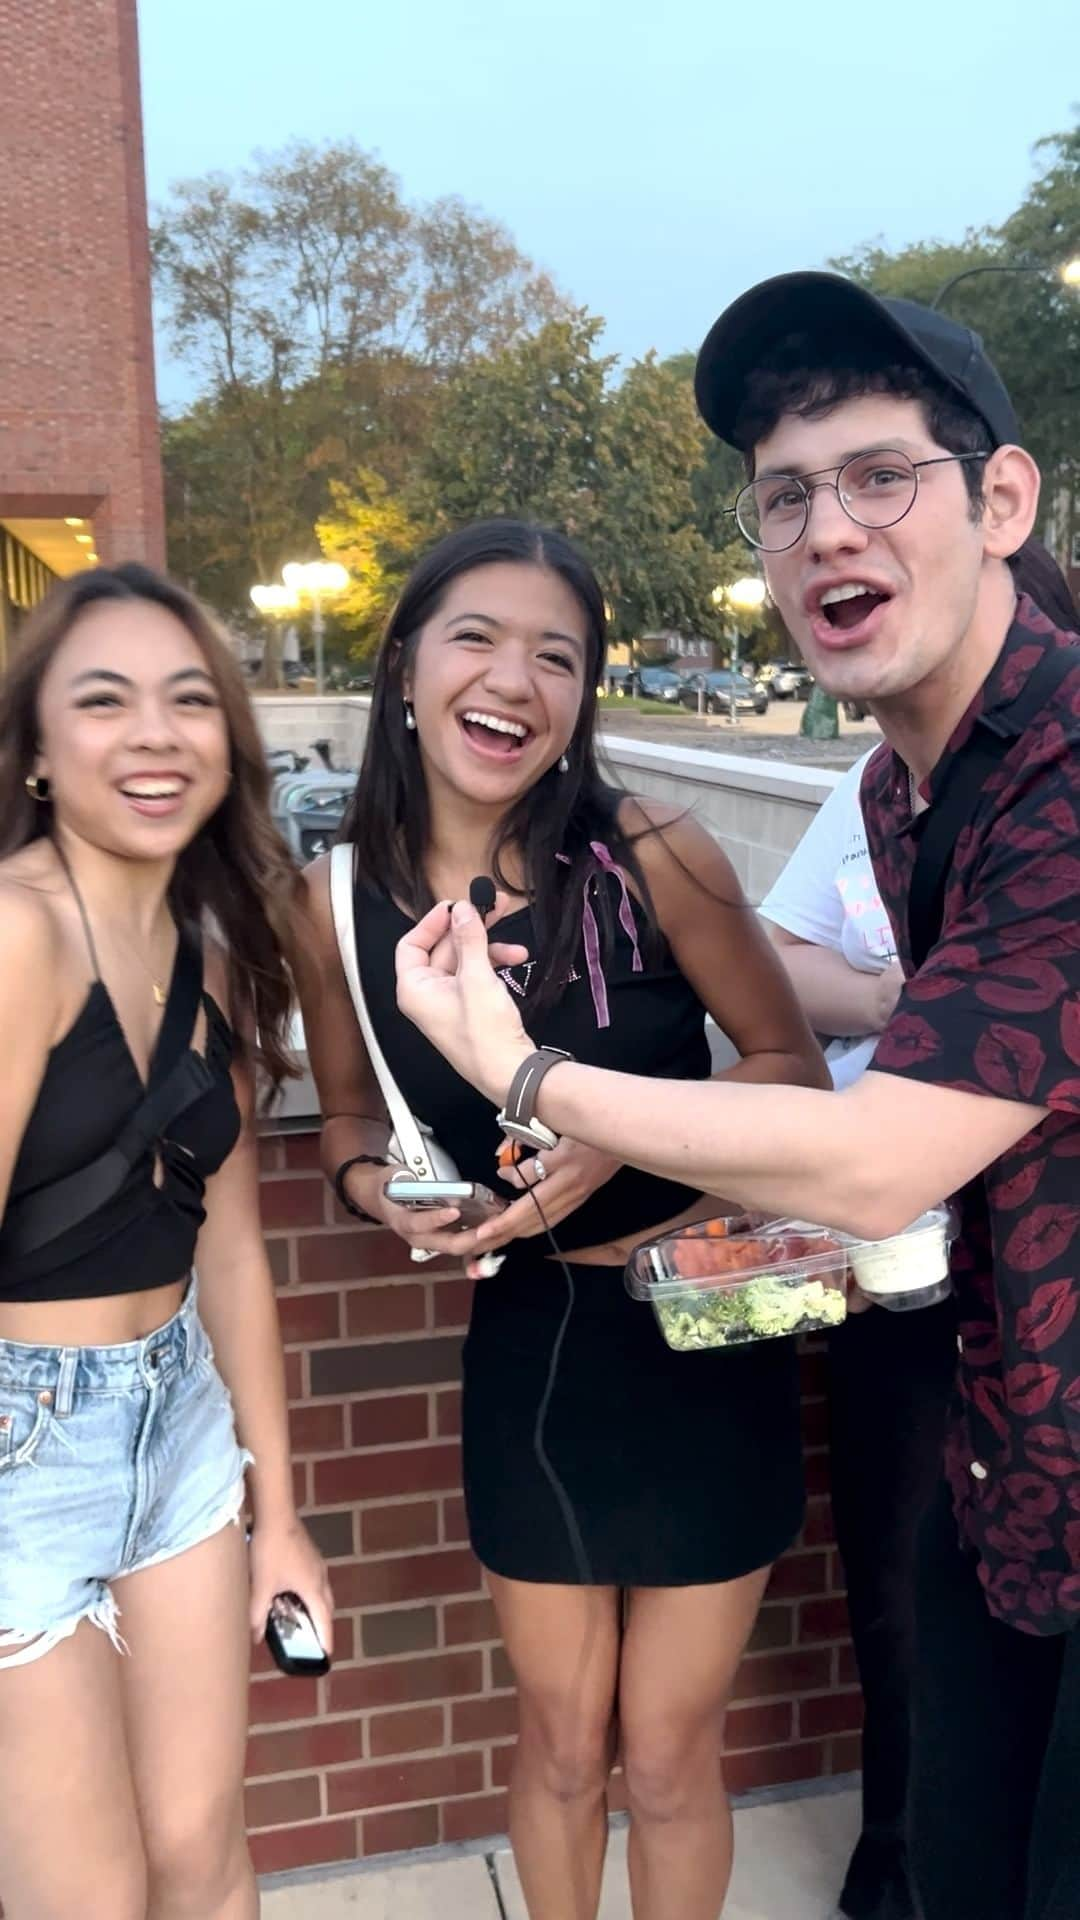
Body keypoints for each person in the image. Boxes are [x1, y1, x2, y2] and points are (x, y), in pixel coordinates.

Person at [393, 282, 1080, 1920]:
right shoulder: (906, 787)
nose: (826, 528)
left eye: (877, 477)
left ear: (1001, 503)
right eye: (787, 496)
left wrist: (529, 1070)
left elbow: (874, 1154)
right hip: (1008, 1473)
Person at [298, 518, 828, 1920]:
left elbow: (793, 1076)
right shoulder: (335, 897)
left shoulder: (657, 852)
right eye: (479, 637)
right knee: (557, 1745)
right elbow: (348, 1115)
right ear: (407, 662)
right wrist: (385, 1194)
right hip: (533, 1346)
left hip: (710, 1321)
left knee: (667, 1757)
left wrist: (626, 1153)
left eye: (559, 656)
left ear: (585, 696)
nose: (516, 681)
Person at [0, 565, 332, 1920]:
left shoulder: (214, 939)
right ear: (34, 753)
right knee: (92, 1898)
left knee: (204, 1860)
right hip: (22, 1446)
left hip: (179, 1424)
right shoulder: (19, 935)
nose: (155, 734)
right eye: (105, 700)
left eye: (190, 701)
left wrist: (283, 1519)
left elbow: (233, 1250)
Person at [760, 761, 956, 1920]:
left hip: (1036, 1267)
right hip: (887, 1259)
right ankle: (899, 1849)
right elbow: (779, 966)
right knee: (889, 1571)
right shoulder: (876, 786)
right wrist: (903, 999)